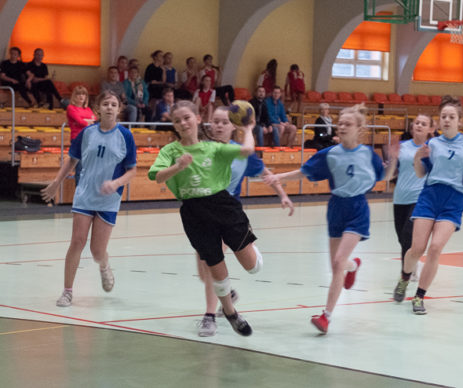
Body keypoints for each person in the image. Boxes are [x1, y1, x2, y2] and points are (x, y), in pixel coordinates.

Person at [265, 103, 397, 334]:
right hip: (336, 207)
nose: (342, 127)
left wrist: (393, 160)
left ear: (359, 129)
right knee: (337, 265)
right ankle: (353, 266)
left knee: (337, 262)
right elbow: (305, 172)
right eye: (340, 123)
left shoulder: (368, 155)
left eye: (348, 124)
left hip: (357, 209)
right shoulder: (330, 154)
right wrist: (280, 177)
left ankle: (326, 317)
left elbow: (384, 177)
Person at [148, 100, 261, 337]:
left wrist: (248, 129)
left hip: (223, 206)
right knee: (214, 267)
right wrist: (178, 167)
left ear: (198, 119)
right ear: (174, 125)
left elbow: (247, 151)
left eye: (187, 118)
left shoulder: (213, 148)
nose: (183, 123)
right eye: (177, 121)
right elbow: (157, 177)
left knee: (253, 267)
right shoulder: (170, 151)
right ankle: (230, 313)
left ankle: (249, 250)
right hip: (194, 212)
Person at [196, 105, 294, 337]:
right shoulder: (202, 150)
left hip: (228, 216)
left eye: (224, 122)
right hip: (203, 215)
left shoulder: (240, 153)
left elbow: (265, 173)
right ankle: (225, 297)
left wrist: (283, 195)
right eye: (215, 122)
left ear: (233, 126)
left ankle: (210, 316)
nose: (219, 126)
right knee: (204, 271)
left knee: (216, 265)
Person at [42, 90, 137, 307]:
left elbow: (132, 170)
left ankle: (104, 265)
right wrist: (56, 182)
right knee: (77, 241)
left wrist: (116, 183)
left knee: (97, 251)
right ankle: (67, 291)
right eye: (106, 104)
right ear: (98, 109)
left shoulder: (125, 136)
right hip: (85, 194)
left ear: (119, 109)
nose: (109, 107)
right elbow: (71, 160)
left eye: (114, 104)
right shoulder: (87, 133)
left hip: (108, 200)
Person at [393, 96, 463, 315]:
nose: (447, 120)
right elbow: (420, 173)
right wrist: (417, 158)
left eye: (451, 117)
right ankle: (404, 277)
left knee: (435, 248)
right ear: (439, 120)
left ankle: (419, 296)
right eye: (444, 116)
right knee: (417, 248)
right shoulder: (432, 144)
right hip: (430, 196)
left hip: (454, 200)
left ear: (459, 120)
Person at [390, 114, 434, 283]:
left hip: (420, 198)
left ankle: (405, 275)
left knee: (408, 235)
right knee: (402, 238)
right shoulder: (402, 146)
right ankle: (411, 265)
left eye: (424, 123)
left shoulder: (431, 148)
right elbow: (392, 173)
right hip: (400, 197)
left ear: (430, 129)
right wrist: (391, 159)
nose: (419, 126)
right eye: (417, 123)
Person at [66, 85, 97, 186]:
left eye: (83, 94)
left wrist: (85, 121)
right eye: (78, 94)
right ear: (74, 96)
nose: (81, 96)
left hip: (89, 140)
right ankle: (79, 192)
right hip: (77, 140)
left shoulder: (87, 109)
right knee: (80, 168)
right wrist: (87, 121)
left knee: (88, 168)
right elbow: (80, 122)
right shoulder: (71, 108)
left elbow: (94, 120)